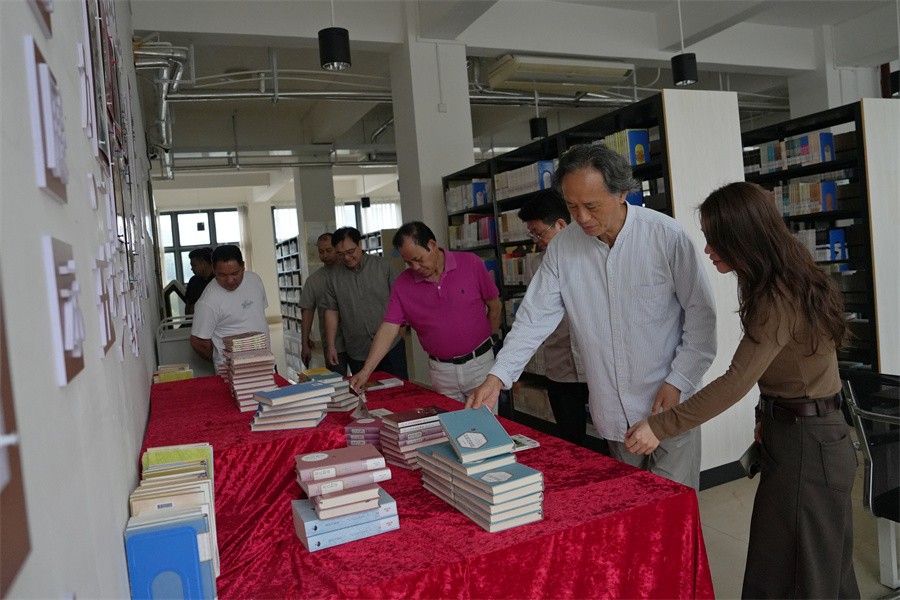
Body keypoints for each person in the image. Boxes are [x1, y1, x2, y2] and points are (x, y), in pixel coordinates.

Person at [624, 182, 858, 598]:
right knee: (805, 565)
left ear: (744, 238)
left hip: (808, 445)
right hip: (800, 434)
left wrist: (660, 427)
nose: (707, 249)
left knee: (803, 574)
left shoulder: (777, 295)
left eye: (716, 240)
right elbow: (790, 368)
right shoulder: (783, 275)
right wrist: (765, 415)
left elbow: (736, 381)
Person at [466, 143, 716, 489]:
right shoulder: (564, 248)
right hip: (614, 413)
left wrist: (678, 381)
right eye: (572, 206)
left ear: (621, 193)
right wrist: (497, 377)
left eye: (592, 206)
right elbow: (533, 319)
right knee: (628, 504)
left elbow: (702, 321)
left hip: (670, 402)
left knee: (673, 505)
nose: (581, 217)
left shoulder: (666, 237)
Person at [349, 221, 502, 403]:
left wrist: (490, 341)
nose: (415, 267)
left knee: (484, 419)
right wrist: (366, 371)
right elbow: (389, 328)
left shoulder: (470, 263)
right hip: (441, 371)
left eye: (418, 259)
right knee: (448, 419)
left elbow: (495, 305)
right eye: (408, 262)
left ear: (432, 245)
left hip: (480, 364)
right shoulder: (402, 284)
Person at [517, 193, 590, 445]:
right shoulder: (536, 265)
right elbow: (535, 314)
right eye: (532, 235)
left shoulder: (591, 256)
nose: (537, 242)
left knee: (610, 436)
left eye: (539, 234)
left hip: (594, 364)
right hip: (560, 366)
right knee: (570, 437)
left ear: (560, 224)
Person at [322, 227, 408, 380]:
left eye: (350, 251)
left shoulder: (383, 266)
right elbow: (331, 311)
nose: (347, 257)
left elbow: (400, 300)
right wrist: (331, 345)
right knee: (364, 391)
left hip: (391, 346)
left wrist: (401, 331)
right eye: (340, 254)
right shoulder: (333, 277)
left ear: (360, 244)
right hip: (358, 350)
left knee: (399, 389)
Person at [190, 244, 269, 369]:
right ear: (213, 270)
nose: (230, 280)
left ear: (243, 266)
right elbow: (198, 342)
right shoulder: (208, 301)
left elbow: (258, 314)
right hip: (232, 371)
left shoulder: (255, 281)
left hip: (265, 362)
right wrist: (220, 359)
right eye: (222, 275)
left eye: (235, 273)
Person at [298, 233, 348, 375]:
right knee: (336, 381)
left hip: (357, 341)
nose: (325, 255)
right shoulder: (314, 280)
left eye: (328, 250)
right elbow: (307, 312)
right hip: (333, 344)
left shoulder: (350, 272)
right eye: (321, 251)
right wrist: (305, 343)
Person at [184, 247, 214, 315]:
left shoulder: (218, 279)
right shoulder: (193, 281)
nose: (192, 269)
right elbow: (189, 305)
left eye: (194, 265)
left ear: (204, 264)